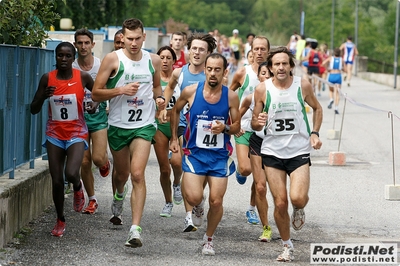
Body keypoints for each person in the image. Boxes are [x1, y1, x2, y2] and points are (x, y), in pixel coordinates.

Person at [91, 18, 162, 248]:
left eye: (137, 38)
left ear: (144, 37)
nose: (133, 43)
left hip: (144, 125)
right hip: (119, 126)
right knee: (121, 174)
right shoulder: (114, 59)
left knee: (138, 173)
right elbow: (95, 94)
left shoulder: (154, 60)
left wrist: (160, 100)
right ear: (122, 38)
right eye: (128, 39)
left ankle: (135, 229)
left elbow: (157, 87)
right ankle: (119, 194)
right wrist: (120, 89)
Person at [252, 46, 323, 262]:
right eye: (277, 64)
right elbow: (254, 120)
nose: (281, 67)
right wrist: (258, 121)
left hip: (298, 150)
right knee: (280, 202)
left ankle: (299, 209)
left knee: (297, 198)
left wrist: (314, 133)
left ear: (291, 66)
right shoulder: (262, 89)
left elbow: (318, 109)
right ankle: (287, 245)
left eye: (285, 63)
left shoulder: (302, 85)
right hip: (272, 151)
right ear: (271, 68)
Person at [169, 53, 240, 255]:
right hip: (195, 153)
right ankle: (198, 205)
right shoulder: (191, 91)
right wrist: (174, 138)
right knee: (193, 196)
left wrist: (225, 127)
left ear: (224, 72)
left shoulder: (231, 96)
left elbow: (237, 127)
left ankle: (208, 239)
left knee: (216, 201)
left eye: (218, 69)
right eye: (209, 69)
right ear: (205, 70)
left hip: (219, 156)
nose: (213, 73)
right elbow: (175, 111)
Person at [30, 42, 94, 237]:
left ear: (73, 58)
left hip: (76, 133)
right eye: (60, 56)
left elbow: (99, 92)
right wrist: (43, 96)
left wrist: (94, 103)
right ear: (55, 57)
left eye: (67, 56)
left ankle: (77, 187)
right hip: (55, 135)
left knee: (72, 173)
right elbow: (33, 108)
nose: (64, 59)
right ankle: (60, 219)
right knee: (57, 181)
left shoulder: (82, 77)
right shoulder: (47, 79)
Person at [158, 32, 217, 232]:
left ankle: (197, 201)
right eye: (194, 48)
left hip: (206, 129)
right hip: (184, 124)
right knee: (178, 163)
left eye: (202, 49)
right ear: (188, 50)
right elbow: (169, 88)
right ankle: (188, 216)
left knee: (202, 174)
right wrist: (163, 105)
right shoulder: (179, 72)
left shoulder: (213, 74)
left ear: (208, 52)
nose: (197, 52)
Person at [229, 36, 270, 225]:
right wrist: (233, 122)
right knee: (246, 169)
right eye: (257, 49)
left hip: (264, 132)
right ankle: (238, 169)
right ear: (251, 51)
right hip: (244, 128)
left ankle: (251, 208)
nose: (260, 52)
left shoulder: (273, 74)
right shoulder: (242, 73)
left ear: (268, 52)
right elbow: (229, 95)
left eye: (263, 49)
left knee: (259, 175)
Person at [72, 28, 110, 215]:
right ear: (75, 45)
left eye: (87, 43)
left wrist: (97, 101)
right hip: (79, 119)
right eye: (80, 43)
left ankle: (104, 162)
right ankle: (92, 199)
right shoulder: (71, 67)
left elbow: (107, 89)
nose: (83, 46)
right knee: (84, 162)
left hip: (98, 115)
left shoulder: (101, 65)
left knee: (97, 158)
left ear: (93, 45)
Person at [236, 61, 273, 242]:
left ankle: (252, 208)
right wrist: (234, 128)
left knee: (263, 185)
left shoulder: (282, 96)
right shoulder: (251, 97)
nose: (266, 77)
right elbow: (237, 114)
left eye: (269, 74)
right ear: (258, 76)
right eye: (264, 73)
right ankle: (265, 226)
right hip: (251, 136)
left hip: (274, 144)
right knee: (251, 175)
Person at [153, 46, 183, 218]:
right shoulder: (153, 79)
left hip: (177, 123)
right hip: (159, 125)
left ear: (173, 60)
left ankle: (177, 183)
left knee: (177, 163)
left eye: (168, 58)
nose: (164, 61)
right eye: (161, 57)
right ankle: (168, 202)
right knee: (164, 169)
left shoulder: (178, 78)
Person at [323, 48, 344, 115]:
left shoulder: (330, 58)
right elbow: (345, 69)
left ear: (334, 53)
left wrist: (327, 69)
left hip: (331, 75)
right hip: (338, 76)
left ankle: (331, 99)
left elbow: (323, 63)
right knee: (337, 93)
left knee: (331, 90)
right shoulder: (342, 60)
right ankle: (336, 107)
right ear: (340, 53)